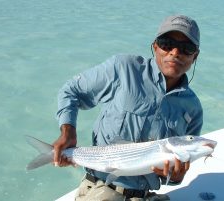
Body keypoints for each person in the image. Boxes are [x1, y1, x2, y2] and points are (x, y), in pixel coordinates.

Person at [53, 14, 203, 201]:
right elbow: (71, 91)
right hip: (103, 191)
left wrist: (176, 177)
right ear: (155, 46)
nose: (175, 52)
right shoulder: (123, 69)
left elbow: (170, 177)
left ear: (195, 55)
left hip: (145, 196)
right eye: (167, 43)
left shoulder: (193, 108)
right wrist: (68, 132)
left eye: (186, 48)